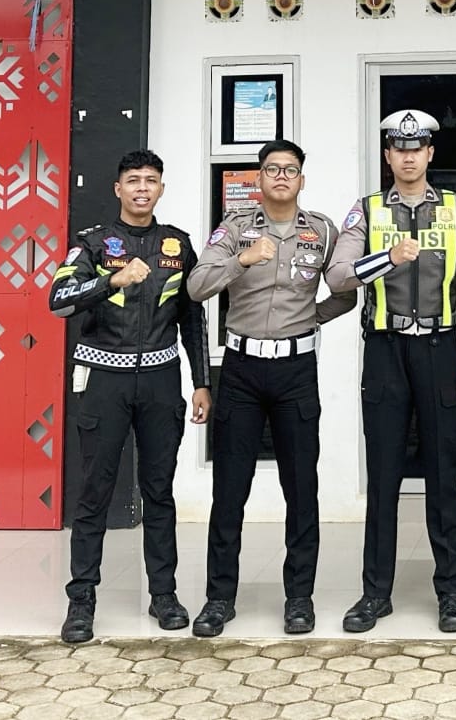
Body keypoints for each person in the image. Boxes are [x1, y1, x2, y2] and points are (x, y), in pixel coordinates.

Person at [325, 109, 456, 634]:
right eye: (400, 148)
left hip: (441, 350)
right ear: (388, 155)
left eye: (417, 149)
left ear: (430, 154)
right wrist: (387, 259)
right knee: (384, 475)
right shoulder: (367, 209)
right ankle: (376, 593)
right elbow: (339, 276)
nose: (409, 157)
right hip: (386, 349)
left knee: (444, 475)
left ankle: (451, 592)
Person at [186, 139, 357, 637]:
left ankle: (299, 598)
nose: (281, 176)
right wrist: (240, 261)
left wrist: (310, 318)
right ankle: (219, 599)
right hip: (241, 370)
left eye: (290, 169)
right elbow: (196, 287)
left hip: (296, 371)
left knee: (301, 488)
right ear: (259, 178)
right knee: (230, 489)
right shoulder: (235, 227)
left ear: (302, 180)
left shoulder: (322, 230)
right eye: (272, 169)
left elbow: (346, 292)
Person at [49, 149, 212, 643]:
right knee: (95, 492)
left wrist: (202, 381)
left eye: (151, 180)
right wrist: (111, 279)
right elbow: (58, 302)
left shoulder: (177, 244)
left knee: (159, 492)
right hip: (105, 380)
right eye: (134, 180)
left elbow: (193, 319)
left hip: (161, 382)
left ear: (161, 189)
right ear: (118, 189)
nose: (143, 188)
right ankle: (81, 602)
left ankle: (164, 595)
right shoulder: (93, 243)